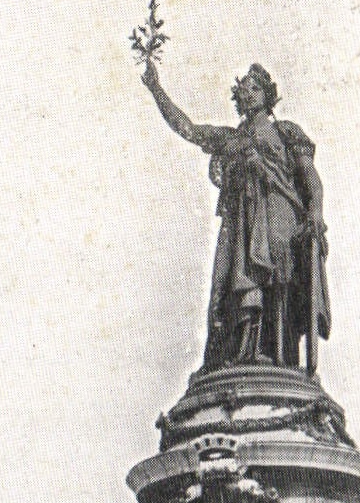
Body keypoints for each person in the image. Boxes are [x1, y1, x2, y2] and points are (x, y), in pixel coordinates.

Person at [141, 58, 330, 371]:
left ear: (268, 94)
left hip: (279, 216)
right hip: (241, 225)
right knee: (233, 283)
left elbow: (310, 178)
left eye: (257, 87)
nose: (250, 93)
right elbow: (188, 129)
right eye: (246, 88)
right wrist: (156, 89)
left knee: (278, 285)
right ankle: (242, 353)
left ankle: (279, 359)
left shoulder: (285, 132)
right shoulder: (229, 139)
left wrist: (315, 213)